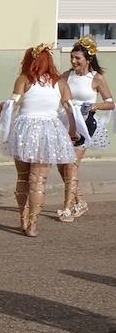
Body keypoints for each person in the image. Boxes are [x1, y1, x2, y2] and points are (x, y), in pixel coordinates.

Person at [0, 45, 78, 238]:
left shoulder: (23, 80)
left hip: (24, 130)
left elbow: (14, 104)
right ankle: (33, 224)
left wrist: (3, 108)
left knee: (22, 178)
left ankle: (23, 219)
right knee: (38, 182)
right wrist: (73, 131)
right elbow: (70, 109)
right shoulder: (60, 83)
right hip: (49, 131)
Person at [58, 37, 113, 222]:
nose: (73, 61)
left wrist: (94, 106)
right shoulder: (66, 75)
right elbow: (58, 95)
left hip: (84, 123)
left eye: (77, 58)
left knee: (72, 165)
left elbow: (110, 103)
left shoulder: (96, 78)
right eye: (72, 57)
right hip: (65, 121)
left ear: (88, 60)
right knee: (61, 166)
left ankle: (67, 208)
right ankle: (80, 201)